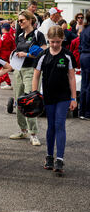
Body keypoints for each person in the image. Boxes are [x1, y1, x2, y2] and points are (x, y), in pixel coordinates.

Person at [32, 26, 77, 174]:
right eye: (52, 42)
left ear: (62, 40)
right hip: (48, 96)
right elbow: (36, 76)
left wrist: (73, 98)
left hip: (63, 97)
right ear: (48, 40)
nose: (55, 44)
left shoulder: (68, 55)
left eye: (58, 41)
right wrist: (34, 94)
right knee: (51, 126)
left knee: (60, 125)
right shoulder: (43, 55)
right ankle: (49, 156)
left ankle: (60, 159)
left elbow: (72, 77)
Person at [9, 10, 47, 144]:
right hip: (18, 69)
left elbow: (44, 51)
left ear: (31, 20)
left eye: (22, 20)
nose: (19, 23)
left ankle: (33, 133)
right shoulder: (19, 35)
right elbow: (17, 49)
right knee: (18, 99)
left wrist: (27, 55)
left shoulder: (38, 34)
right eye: (18, 21)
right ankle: (22, 130)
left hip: (31, 69)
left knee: (30, 100)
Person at [0, 22, 15, 89]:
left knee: (2, 69)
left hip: (2, 54)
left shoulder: (3, 36)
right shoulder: (11, 36)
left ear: (3, 29)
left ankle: (8, 83)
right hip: (9, 54)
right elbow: (14, 47)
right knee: (4, 68)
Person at [79, 12, 90, 120]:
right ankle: (87, 112)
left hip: (83, 56)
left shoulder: (84, 29)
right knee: (88, 86)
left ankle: (82, 111)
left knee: (84, 85)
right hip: (88, 55)